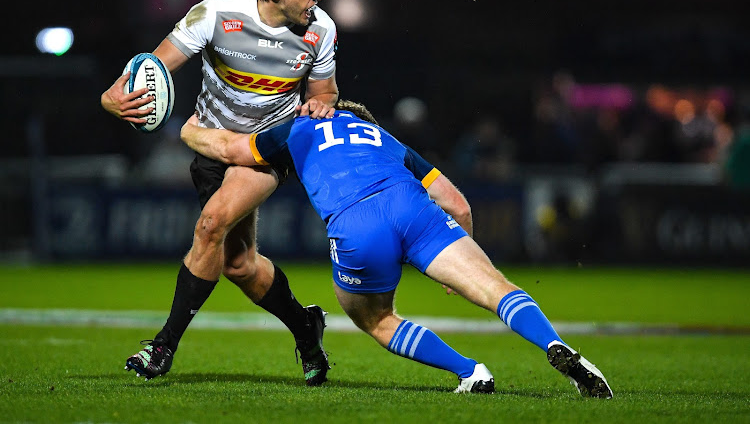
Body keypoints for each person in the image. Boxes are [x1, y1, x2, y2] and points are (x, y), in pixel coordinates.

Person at [179, 100, 613, 397]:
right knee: (496, 288)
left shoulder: (297, 128)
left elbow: (230, 148)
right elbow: (456, 202)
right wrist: (461, 254)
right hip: (413, 207)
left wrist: (190, 131)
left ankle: (469, 371)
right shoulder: (384, 138)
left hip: (356, 221)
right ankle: (559, 348)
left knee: (377, 319)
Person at [100, 0, 338, 385]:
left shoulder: (320, 29)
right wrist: (114, 97)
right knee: (240, 266)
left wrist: (322, 104)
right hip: (213, 145)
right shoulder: (216, 14)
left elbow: (325, 92)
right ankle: (306, 328)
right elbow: (153, 66)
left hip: (266, 150)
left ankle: (162, 346)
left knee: (212, 223)